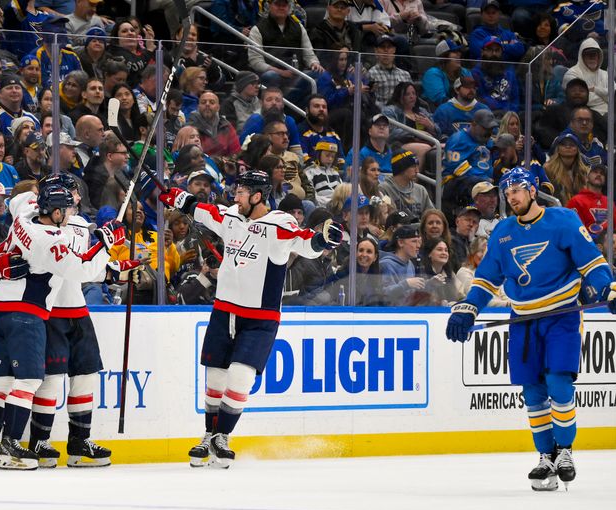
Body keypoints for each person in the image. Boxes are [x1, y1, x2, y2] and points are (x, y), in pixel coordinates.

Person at [446, 167, 616, 492]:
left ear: (532, 190)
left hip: (562, 316)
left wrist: (609, 289)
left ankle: (565, 452)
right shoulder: (503, 232)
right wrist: (468, 307)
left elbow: (591, 263)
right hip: (523, 320)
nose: (511, 196)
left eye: (517, 189)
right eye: (507, 192)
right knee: (532, 392)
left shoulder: (564, 220)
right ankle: (546, 457)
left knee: (559, 383)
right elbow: (487, 277)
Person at [158, 170, 343, 468]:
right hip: (224, 310)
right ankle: (209, 435)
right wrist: (179, 198)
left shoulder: (279, 224)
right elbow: (204, 212)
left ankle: (223, 436)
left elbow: (304, 242)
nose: (235, 196)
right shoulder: (231, 217)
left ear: (258, 196)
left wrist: (323, 240)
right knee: (216, 376)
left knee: (241, 376)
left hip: (260, 317)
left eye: (241, 192)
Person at [0, 184, 126, 470]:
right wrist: (106, 244)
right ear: (56, 212)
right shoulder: (49, 239)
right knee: (30, 381)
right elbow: (81, 269)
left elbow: (20, 197)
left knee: (3, 380)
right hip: (26, 312)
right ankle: (11, 446)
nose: (72, 211)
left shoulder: (25, 211)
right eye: (67, 208)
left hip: (1, 305)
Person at [26, 174, 139, 468]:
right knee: (51, 381)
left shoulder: (79, 225)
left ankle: (79, 442)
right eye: (71, 192)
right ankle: (39, 441)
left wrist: (113, 269)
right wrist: (104, 244)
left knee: (86, 375)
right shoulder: (42, 223)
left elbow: (89, 269)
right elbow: (80, 268)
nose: (76, 197)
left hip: (77, 309)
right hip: (52, 310)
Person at [566, 164, 616, 237]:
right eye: (595, 172)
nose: (599, 174)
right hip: (588, 243)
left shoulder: (608, 201)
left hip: (609, 243)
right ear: (586, 178)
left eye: (602, 173)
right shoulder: (576, 200)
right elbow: (575, 230)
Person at [379, 223, 424, 305]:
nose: (418, 246)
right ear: (400, 242)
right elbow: (383, 295)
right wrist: (406, 284)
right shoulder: (386, 265)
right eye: (414, 241)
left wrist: (430, 284)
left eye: (418, 242)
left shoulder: (410, 264)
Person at [379, 149, 430, 221]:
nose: (417, 171)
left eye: (417, 166)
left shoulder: (420, 190)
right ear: (401, 167)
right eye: (413, 166)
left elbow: (430, 215)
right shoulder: (383, 189)